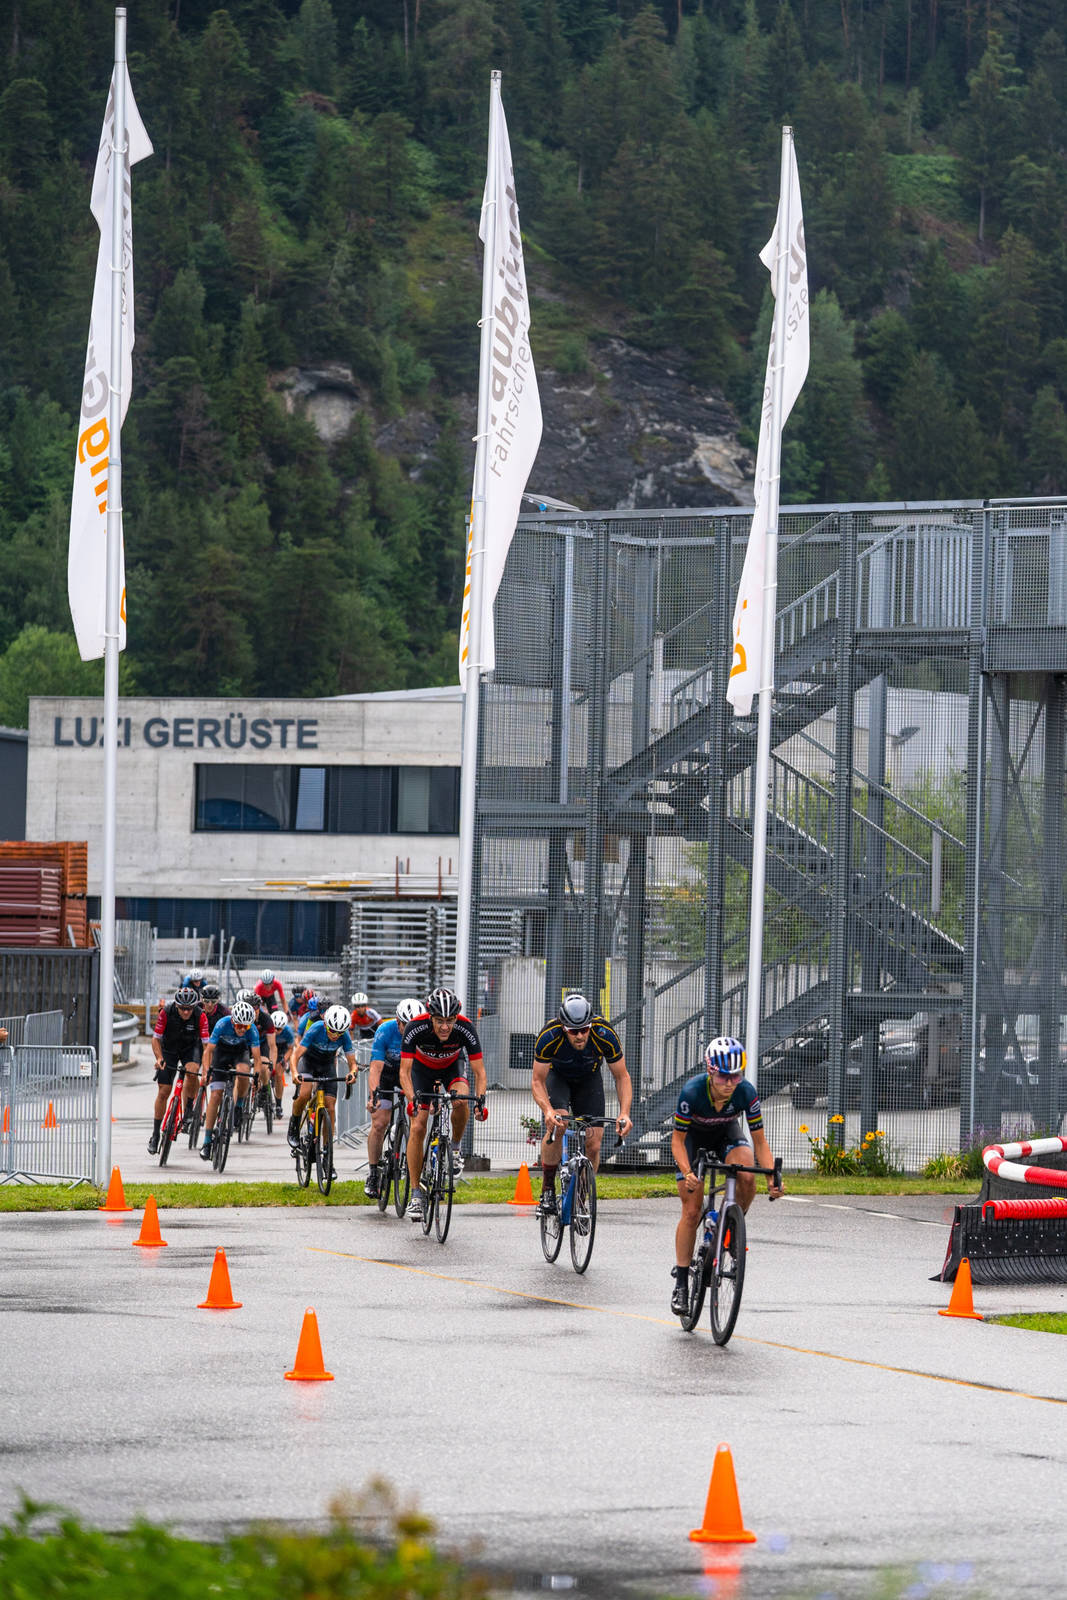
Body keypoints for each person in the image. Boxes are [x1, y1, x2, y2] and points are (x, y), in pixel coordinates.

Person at [669, 1035, 783, 1317]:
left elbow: (760, 1142)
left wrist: (771, 1176)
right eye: (723, 1077)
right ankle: (681, 1283)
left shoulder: (746, 1092)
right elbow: (677, 1140)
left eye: (736, 1076)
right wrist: (687, 1171)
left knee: (747, 1176)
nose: (730, 1083)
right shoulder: (692, 1092)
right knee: (691, 1210)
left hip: (725, 1133)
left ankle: (727, 1225)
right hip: (693, 1139)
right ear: (710, 1072)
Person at [530, 992, 633, 1215]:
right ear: (563, 1027)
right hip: (558, 1078)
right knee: (558, 1124)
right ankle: (547, 1190)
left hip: (588, 1079)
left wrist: (624, 1113)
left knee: (594, 1144)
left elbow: (622, 1076)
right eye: (573, 1031)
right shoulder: (549, 1035)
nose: (579, 1036)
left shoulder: (604, 1033)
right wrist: (548, 1111)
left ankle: (581, 1198)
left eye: (584, 1030)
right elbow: (537, 1081)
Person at [399, 988, 487, 1222]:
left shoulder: (466, 1028)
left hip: (452, 1067)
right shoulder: (415, 1027)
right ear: (431, 1017)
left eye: (450, 1021)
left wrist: (480, 1101)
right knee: (418, 1125)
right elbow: (404, 1072)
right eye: (439, 1021)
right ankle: (416, 1194)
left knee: (461, 1100)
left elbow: (479, 1072)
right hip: (422, 1071)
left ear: (456, 1018)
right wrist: (412, 1099)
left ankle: (455, 1149)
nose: (445, 1027)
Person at [287, 1003, 359, 1180]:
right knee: (304, 1094)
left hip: (327, 1067)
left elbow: (353, 1063)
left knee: (330, 1107)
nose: (335, 1036)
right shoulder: (316, 1029)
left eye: (339, 1033)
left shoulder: (344, 1036)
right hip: (309, 1063)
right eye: (332, 1031)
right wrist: (294, 1073)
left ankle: (328, 1157)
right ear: (326, 1024)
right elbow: (296, 1055)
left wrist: (352, 1073)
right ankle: (294, 1124)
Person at [364, 997, 421, 1199]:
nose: (411, 1030)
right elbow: (375, 1068)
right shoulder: (385, 1031)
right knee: (380, 1123)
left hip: (411, 1075)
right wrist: (374, 1096)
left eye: (414, 1025)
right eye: (406, 1025)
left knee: (418, 1122)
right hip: (387, 1076)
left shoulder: (422, 1033)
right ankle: (373, 1174)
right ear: (398, 1022)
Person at [198, 999, 261, 1163]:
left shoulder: (252, 1030)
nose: (242, 1029)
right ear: (233, 1021)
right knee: (215, 1096)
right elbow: (208, 1051)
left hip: (240, 1053)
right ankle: (206, 1141)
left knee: (244, 1073)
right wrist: (206, 1072)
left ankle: (239, 1105)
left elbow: (257, 1057)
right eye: (239, 1025)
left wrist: (257, 1077)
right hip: (221, 1053)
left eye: (246, 1027)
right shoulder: (222, 1024)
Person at [148, 986, 210, 1153]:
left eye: (189, 1008)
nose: (186, 1012)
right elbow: (155, 1039)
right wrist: (159, 1058)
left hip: (191, 1048)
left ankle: (189, 1109)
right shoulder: (166, 1012)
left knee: (192, 1070)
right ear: (176, 1006)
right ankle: (155, 1134)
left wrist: (206, 1069)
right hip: (169, 1049)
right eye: (182, 1008)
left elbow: (206, 1046)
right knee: (163, 1092)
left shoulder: (200, 1015)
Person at [270, 1008, 295, 1118]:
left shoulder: (288, 1032)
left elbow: (290, 1049)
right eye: (274, 1028)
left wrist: (284, 1059)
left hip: (282, 1051)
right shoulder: (268, 1029)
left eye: (279, 1029)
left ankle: (278, 1105)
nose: (276, 1030)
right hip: (269, 1049)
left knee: (279, 1075)